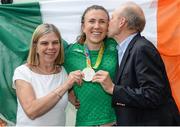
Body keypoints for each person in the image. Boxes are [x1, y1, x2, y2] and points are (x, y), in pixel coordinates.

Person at [92, 2, 180, 126]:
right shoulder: (126, 49)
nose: (108, 23)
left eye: (112, 18)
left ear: (122, 22)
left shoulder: (142, 49)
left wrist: (113, 89)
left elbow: (154, 95)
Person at [12, 23, 83, 126]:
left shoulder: (63, 71)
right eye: (44, 43)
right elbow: (32, 111)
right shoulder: (22, 72)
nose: (51, 47)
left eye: (55, 42)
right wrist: (65, 85)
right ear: (35, 46)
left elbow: (78, 102)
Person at [64, 5, 118, 126]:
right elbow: (52, 73)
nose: (97, 26)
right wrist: (68, 93)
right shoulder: (69, 53)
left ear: (108, 26)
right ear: (83, 26)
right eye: (92, 21)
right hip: (84, 122)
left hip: (114, 121)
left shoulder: (117, 48)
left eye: (102, 22)